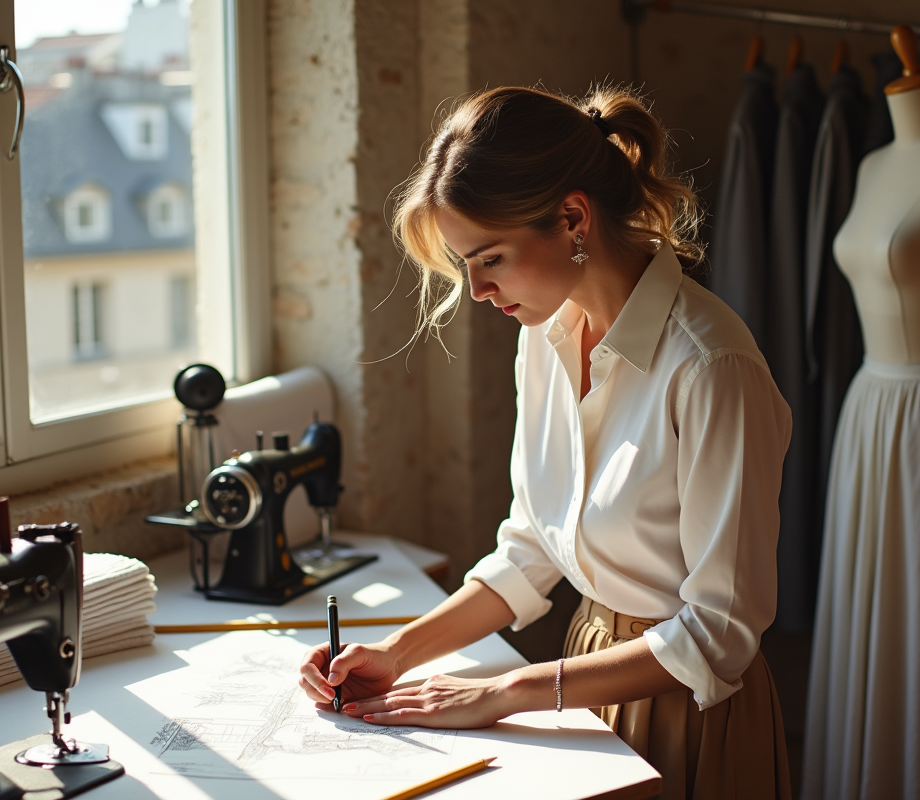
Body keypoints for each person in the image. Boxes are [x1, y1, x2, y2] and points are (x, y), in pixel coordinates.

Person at [299, 85, 793, 799]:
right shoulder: (544, 337)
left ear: (571, 218)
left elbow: (718, 634)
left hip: (689, 709)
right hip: (582, 679)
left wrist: (505, 690)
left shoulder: (713, 368)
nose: (474, 290)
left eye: (489, 258)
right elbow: (531, 548)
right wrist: (395, 653)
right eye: (464, 263)